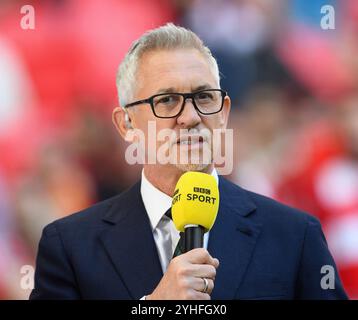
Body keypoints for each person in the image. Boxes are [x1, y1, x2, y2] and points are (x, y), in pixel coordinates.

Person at [30, 23, 347, 300]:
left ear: (223, 113)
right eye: (166, 100)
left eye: (204, 97)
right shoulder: (70, 247)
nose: (191, 117)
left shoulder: (293, 235)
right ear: (126, 124)